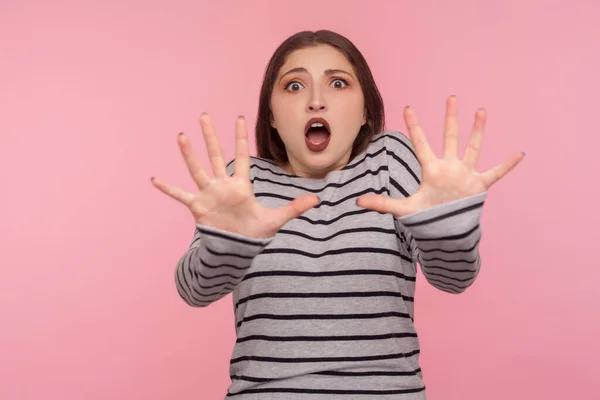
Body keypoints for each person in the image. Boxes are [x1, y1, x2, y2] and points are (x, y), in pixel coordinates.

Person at [151, 30, 523, 399]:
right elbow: (194, 290)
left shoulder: (390, 161)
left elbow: (454, 279)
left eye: (338, 84)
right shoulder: (245, 180)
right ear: (273, 116)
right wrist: (227, 248)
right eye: (294, 86)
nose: (316, 101)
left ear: (365, 111)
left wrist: (447, 231)